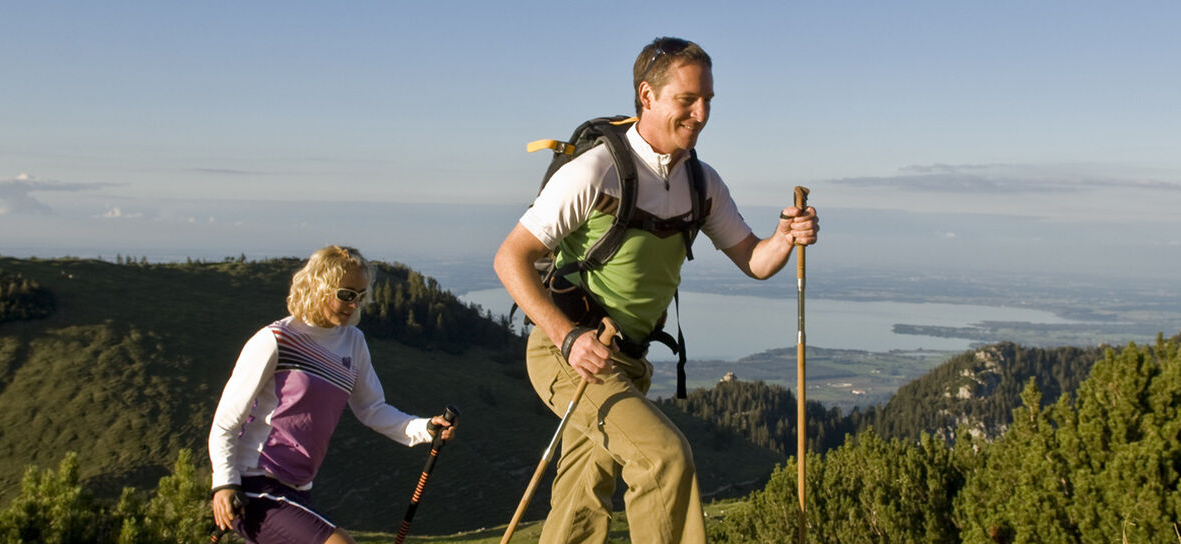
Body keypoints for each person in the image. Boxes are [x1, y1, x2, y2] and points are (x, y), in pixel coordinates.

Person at [492, 37, 818, 544]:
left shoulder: (702, 183)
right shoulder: (595, 171)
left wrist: (784, 237)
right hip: (568, 351)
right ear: (647, 96)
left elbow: (754, 260)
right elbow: (510, 258)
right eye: (687, 100)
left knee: (583, 488)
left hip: (626, 360)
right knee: (665, 459)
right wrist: (567, 337)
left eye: (708, 99)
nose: (702, 113)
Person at [208, 245, 458, 544]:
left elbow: (373, 409)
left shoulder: (353, 342)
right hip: (253, 486)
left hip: (298, 489)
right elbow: (226, 421)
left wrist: (425, 429)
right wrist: (224, 483)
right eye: (346, 294)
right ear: (317, 285)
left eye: (361, 296)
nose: (354, 305)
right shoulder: (276, 340)